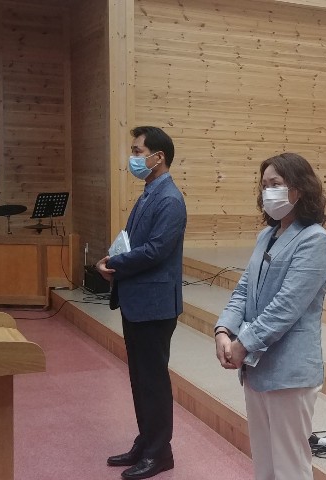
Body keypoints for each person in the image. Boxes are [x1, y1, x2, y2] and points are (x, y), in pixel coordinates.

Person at [213, 152, 326, 480]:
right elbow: (243, 290)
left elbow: (285, 307)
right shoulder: (266, 236)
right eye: (264, 185)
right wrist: (224, 330)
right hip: (257, 367)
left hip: (289, 371)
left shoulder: (314, 239)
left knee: (290, 468)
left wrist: (242, 344)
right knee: (264, 465)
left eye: (275, 184)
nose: (267, 191)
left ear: (298, 189)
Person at [96, 126, 187, 480]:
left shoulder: (170, 199)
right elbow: (133, 242)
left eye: (137, 151)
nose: (132, 157)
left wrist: (116, 264)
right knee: (140, 379)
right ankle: (146, 441)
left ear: (158, 157)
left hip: (154, 306)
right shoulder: (150, 192)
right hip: (138, 301)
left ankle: (160, 453)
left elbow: (155, 251)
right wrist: (112, 261)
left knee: (153, 382)